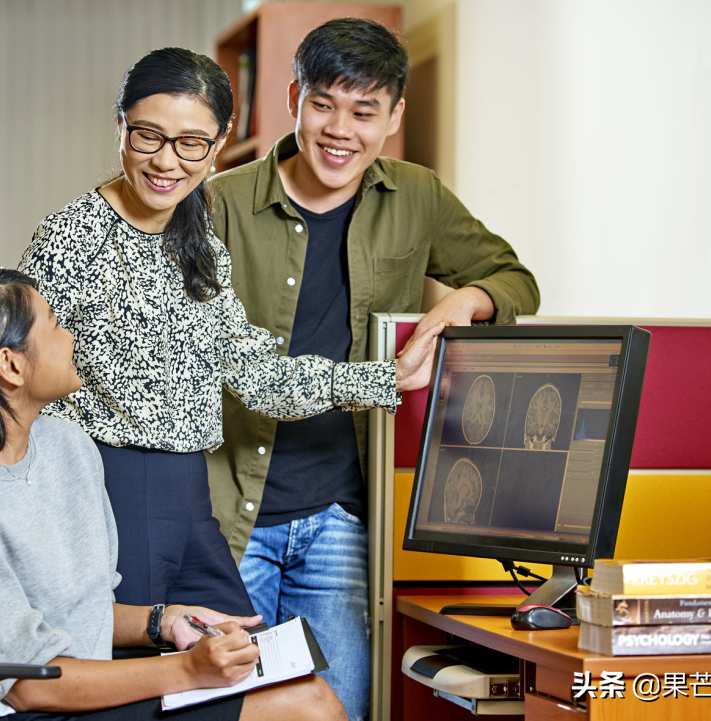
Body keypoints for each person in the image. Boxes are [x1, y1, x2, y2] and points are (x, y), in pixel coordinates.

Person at [0, 48, 439, 624]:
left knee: (249, 661)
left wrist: (386, 378)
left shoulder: (201, 243)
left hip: (192, 495)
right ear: (120, 127)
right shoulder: (76, 235)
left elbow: (259, 379)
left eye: (193, 142)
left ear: (220, 142)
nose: (169, 162)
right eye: (148, 137)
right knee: (157, 684)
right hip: (113, 486)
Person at [204, 19, 541, 720]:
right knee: (218, 708)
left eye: (364, 111)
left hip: (340, 515)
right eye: (324, 103)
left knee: (343, 709)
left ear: (394, 117)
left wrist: (464, 304)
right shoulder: (221, 203)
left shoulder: (417, 197)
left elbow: (513, 278)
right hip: (227, 511)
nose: (340, 129)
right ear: (293, 97)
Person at [0, 266, 346, 720]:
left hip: (95, 692)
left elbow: (88, 613)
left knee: (306, 691)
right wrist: (188, 671)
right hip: (39, 707)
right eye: (56, 325)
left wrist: (164, 621)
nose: (71, 339)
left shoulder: (68, 447)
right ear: (12, 364)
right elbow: (22, 685)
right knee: (307, 707)